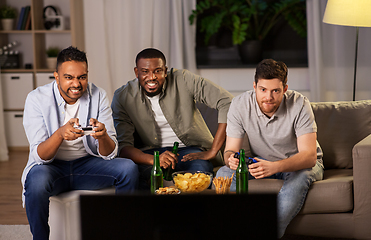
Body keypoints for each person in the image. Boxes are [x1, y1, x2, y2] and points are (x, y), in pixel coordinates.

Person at [21, 46, 139, 240]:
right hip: (51, 168)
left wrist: (102, 137)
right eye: (69, 77)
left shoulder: (98, 95)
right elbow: (40, 155)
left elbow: (110, 154)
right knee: (36, 181)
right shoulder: (36, 99)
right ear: (57, 76)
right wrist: (60, 134)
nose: (76, 84)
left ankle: (122, 232)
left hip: (88, 165)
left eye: (82, 77)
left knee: (128, 169)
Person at [216, 59, 324, 238]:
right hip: (260, 163)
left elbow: (309, 157)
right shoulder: (239, 105)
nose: (268, 97)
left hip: (299, 165)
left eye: (276, 91)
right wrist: (231, 159)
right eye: (263, 90)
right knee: (223, 174)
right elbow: (229, 151)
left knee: (302, 176)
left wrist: (274, 167)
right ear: (254, 86)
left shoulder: (299, 104)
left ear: (285, 89)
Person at [111, 48, 233, 189]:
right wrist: (155, 160)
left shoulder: (183, 79)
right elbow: (124, 147)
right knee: (141, 177)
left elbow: (227, 102)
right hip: (151, 153)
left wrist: (213, 150)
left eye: (157, 70)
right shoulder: (123, 96)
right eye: (145, 71)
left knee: (200, 175)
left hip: (190, 150)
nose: (152, 77)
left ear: (165, 70)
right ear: (136, 72)